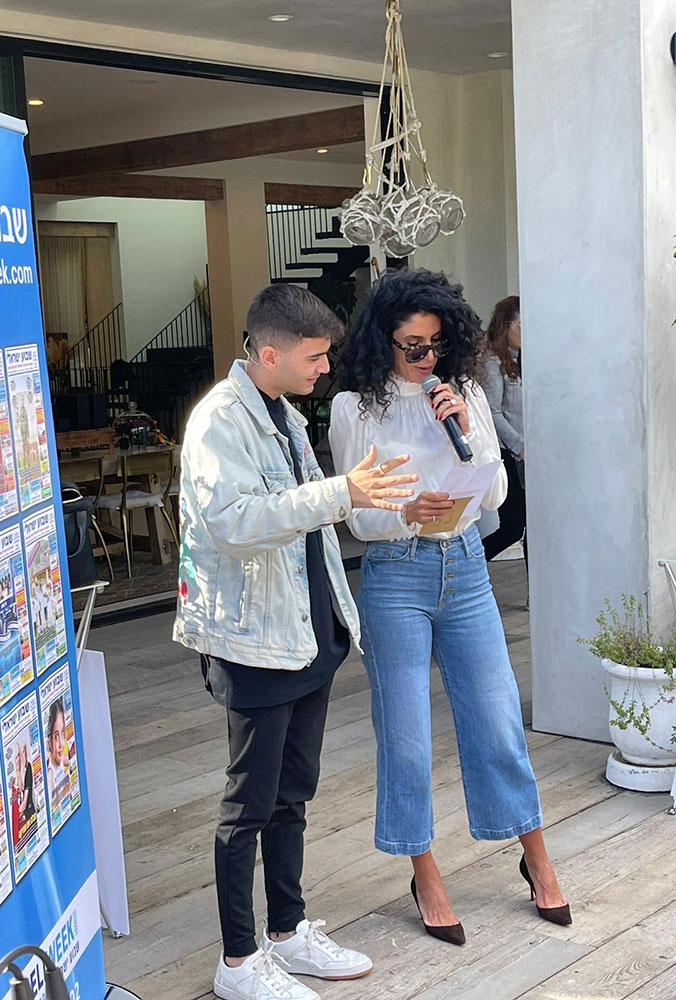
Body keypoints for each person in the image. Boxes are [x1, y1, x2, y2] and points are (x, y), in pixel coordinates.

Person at [174, 283, 417, 1000]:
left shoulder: (283, 411)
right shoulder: (219, 420)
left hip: (308, 636)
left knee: (292, 795)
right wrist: (343, 492)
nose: (325, 368)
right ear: (269, 353)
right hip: (253, 644)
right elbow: (234, 522)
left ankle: (287, 932)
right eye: (315, 357)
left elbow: (300, 515)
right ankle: (237, 963)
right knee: (248, 805)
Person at [329, 269, 570, 946]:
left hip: (465, 569)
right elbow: (357, 516)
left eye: (436, 343)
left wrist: (465, 426)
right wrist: (405, 510)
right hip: (395, 575)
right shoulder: (354, 408)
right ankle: (425, 874)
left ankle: (536, 857)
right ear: (384, 339)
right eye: (412, 345)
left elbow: (494, 495)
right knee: (405, 736)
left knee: (497, 720)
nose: (426, 356)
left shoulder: (464, 391)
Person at [480, 296, 527, 572]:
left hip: (526, 457)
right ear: (506, 325)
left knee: (533, 527)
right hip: (507, 455)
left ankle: (536, 590)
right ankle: (469, 567)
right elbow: (492, 411)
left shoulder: (524, 359)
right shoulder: (492, 363)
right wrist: (519, 445)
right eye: (521, 325)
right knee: (513, 527)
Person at [46, 697, 70, 800]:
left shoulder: (64, 758)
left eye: (62, 733)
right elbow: (54, 802)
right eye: (56, 736)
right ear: (49, 740)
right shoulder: (50, 773)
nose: (61, 743)